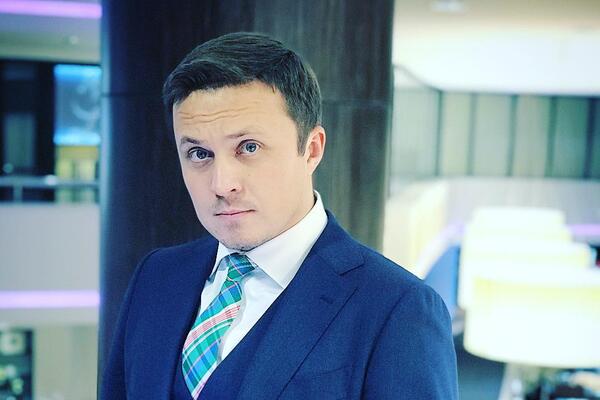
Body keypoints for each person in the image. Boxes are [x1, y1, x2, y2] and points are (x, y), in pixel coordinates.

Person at [100, 32, 458, 400]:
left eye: (248, 147)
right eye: (199, 154)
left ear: (311, 150)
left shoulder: (397, 309)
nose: (222, 185)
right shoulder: (157, 277)